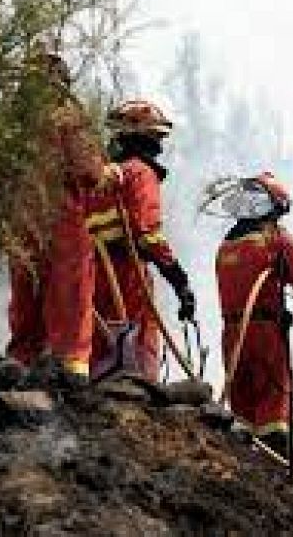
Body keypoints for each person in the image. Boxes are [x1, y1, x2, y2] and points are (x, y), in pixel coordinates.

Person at [6, 50, 105, 385]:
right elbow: (90, 171)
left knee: (26, 295)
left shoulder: (12, 125)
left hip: (20, 219)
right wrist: (106, 170)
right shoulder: (67, 117)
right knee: (70, 292)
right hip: (62, 217)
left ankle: (22, 365)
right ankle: (71, 371)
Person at [216, 172, 293, 459]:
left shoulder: (225, 246)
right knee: (273, 399)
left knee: (241, 402)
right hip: (265, 334)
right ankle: (276, 462)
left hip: (231, 336)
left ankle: (245, 461)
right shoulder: (274, 239)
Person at [84, 99, 196, 382]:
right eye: (156, 136)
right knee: (138, 345)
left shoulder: (103, 176)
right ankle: (137, 393)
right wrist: (179, 280)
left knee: (102, 348)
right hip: (127, 274)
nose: (159, 145)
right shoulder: (141, 172)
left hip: (93, 273)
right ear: (143, 136)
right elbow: (149, 235)